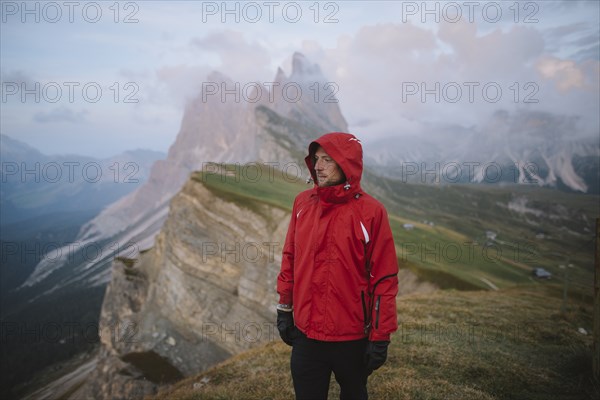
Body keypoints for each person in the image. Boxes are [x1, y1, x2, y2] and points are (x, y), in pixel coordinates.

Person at [276, 132, 399, 400]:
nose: (317, 166)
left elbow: (385, 279)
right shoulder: (302, 204)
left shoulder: (372, 212)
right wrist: (284, 308)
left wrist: (381, 336)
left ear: (347, 164)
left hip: (352, 339)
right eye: (316, 159)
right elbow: (290, 257)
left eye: (327, 160)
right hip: (306, 337)